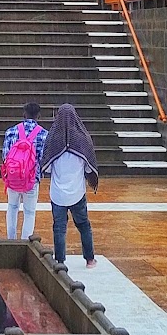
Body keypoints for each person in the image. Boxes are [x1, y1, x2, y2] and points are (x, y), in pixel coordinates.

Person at [41, 104, 99, 267]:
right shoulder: (83, 140)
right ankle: (90, 259)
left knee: (59, 228)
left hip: (58, 193)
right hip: (77, 192)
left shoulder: (52, 140)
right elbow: (89, 167)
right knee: (83, 225)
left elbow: (47, 167)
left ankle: (60, 260)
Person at [2, 102, 48, 239]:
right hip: (32, 179)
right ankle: (26, 241)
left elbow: (5, 155)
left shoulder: (11, 131)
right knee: (29, 212)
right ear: (38, 116)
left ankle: (11, 239)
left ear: (24, 114)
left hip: (13, 177)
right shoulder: (44, 134)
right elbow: (43, 159)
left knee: (12, 207)